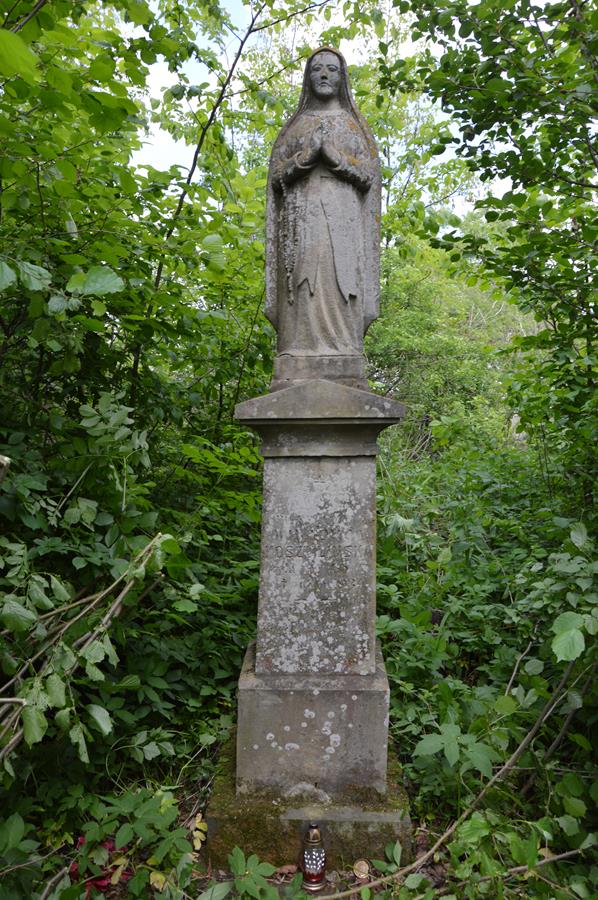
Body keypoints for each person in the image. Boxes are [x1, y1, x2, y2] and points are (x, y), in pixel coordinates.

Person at [266, 48, 380, 359]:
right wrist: (306, 158)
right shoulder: (297, 127)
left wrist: (334, 158)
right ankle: (297, 349)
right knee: (303, 281)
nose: (325, 75)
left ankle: (344, 349)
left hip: (344, 221)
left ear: (342, 78)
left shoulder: (352, 126)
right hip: (302, 218)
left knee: (339, 282)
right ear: (308, 77)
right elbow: (276, 178)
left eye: (332, 69)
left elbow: (367, 176)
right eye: (317, 69)